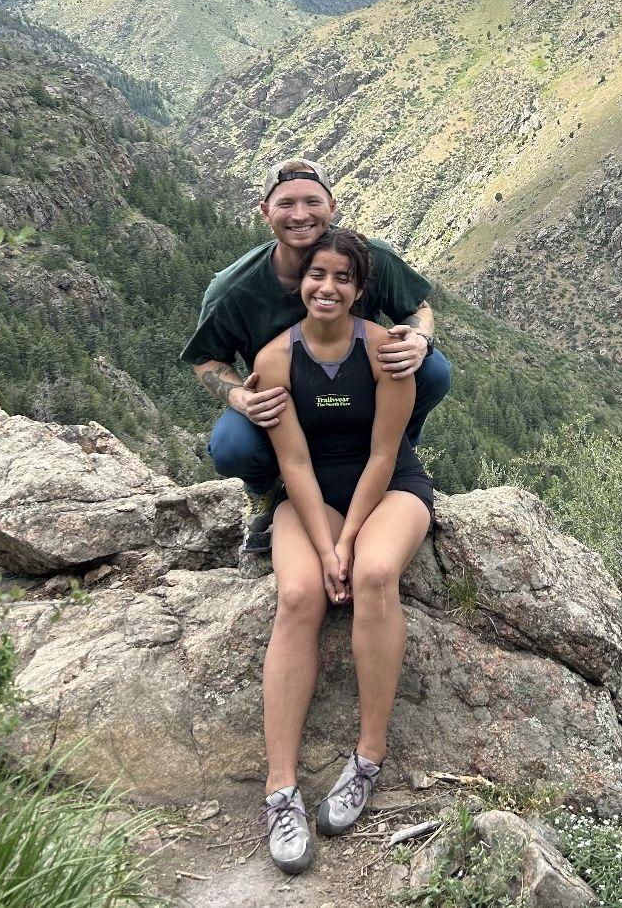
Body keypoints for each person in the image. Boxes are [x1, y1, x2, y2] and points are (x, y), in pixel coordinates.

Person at [252, 228, 433, 874]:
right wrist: (325, 546)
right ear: (302, 282)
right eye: (317, 275)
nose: (327, 288)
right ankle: (281, 791)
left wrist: (349, 543)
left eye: (343, 279)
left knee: (376, 573)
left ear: (360, 291)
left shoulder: (389, 354)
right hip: (309, 494)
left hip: (387, 490)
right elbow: (294, 461)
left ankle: (367, 758)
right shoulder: (276, 359)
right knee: (299, 594)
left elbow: (386, 454)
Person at [180, 158, 451, 557]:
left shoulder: (366, 258)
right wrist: (241, 398)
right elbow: (206, 359)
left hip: (362, 392)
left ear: (332, 206)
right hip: (284, 401)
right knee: (231, 445)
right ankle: (268, 490)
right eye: (286, 203)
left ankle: (393, 453)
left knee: (431, 369)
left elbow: (419, 307)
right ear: (265, 211)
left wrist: (420, 338)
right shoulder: (234, 289)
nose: (301, 215)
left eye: (312, 202)